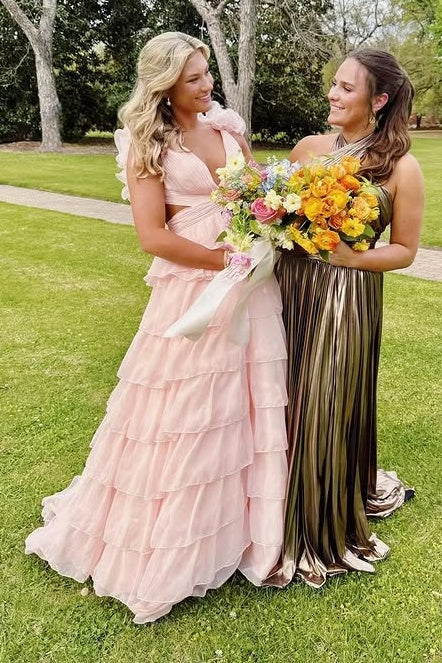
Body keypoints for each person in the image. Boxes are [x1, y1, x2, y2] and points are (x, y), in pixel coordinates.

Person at [25, 31, 288, 623]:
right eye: (194, 78)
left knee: (251, 398)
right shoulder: (148, 144)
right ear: (165, 85)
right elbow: (153, 236)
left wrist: (270, 223)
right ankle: (178, 537)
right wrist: (223, 260)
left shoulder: (227, 128)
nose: (207, 84)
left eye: (206, 73)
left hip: (252, 281)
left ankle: (253, 528)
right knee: (190, 407)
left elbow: (256, 194)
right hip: (196, 286)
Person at [266, 49, 424, 588]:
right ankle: (268, 506)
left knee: (326, 400)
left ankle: (318, 522)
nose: (333, 94)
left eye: (346, 88)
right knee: (284, 392)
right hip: (291, 288)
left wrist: (353, 259)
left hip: (347, 299)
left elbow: (405, 250)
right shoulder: (308, 149)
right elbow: (275, 217)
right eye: (334, 84)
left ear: (378, 101)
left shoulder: (401, 167)